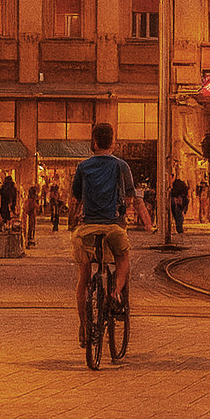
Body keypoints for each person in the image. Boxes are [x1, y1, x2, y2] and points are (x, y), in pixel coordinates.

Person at [71, 123, 135, 347]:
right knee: (123, 259)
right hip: (113, 227)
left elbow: (76, 200)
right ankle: (115, 293)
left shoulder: (83, 167)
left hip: (87, 228)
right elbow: (130, 197)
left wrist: (72, 224)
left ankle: (85, 327)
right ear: (112, 143)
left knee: (84, 277)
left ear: (94, 142)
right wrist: (146, 222)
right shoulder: (121, 166)